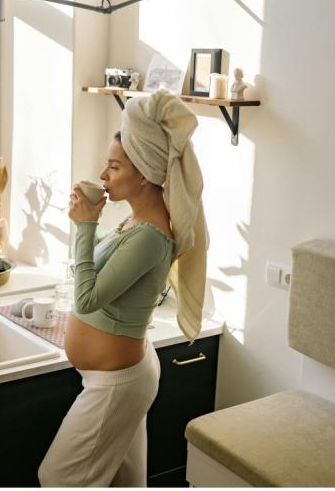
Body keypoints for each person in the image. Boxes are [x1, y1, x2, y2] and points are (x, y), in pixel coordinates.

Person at [38, 89, 209, 487]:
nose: (103, 176)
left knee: (57, 478)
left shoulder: (150, 236)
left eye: (113, 167)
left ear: (146, 173)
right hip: (117, 378)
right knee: (125, 483)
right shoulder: (135, 223)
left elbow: (86, 297)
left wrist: (84, 225)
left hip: (116, 385)